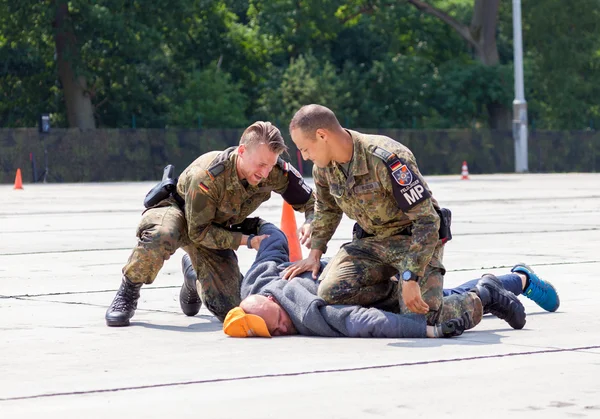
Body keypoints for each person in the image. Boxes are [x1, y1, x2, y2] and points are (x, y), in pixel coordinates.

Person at [282, 104, 526, 329]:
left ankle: (485, 295)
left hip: (415, 244)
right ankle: (404, 297)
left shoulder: (385, 158)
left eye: (305, 148)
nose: (304, 156)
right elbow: (327, 209)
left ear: (322, 135)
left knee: (421, 321)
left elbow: (427, 221)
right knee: (330, 294)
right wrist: (315, 254)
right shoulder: (324, 168)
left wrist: (410, 275)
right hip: (372, 244)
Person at [105, 121, 315, 326]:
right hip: (179, 214)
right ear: (242, 151)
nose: (265, 173)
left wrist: (311, 221)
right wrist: (248, 241)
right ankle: (128, 292)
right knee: (162, 234)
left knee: (233, 307)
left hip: (218, 226)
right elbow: (197, 232)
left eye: (270, 165)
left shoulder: (275, 171)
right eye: (261, 164)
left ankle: (193, 276)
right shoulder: (208, 175)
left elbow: (312, 202)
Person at [209, 222, 546, 338]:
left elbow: (364, 321)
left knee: (433, 311)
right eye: (274, 331)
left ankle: (490, 293)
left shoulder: (310, 312)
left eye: (278, 323)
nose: (282, 330)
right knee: (452, 293)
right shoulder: (256, 286)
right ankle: (519, 279)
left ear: (272, 303)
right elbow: (273, 242)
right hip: (361, 275)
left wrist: (426, 332)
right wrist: (253, 233)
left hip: (368, 279)